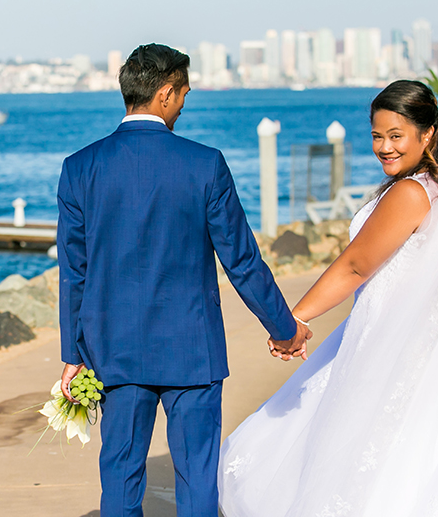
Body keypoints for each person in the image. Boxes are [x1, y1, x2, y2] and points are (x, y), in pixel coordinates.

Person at [219, 80, 438, 516]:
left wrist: (292, 321)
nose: (384, 147)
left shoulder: (409, 193)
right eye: (377, 136)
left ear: (427, 134)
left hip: (399, 332)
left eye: (396, 136)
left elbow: (356, 266)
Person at [56, 43, 311, 517]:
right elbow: (242, 260)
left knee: (120, 479)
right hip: (192, 350)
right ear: (166, 94)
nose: (184, 105)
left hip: (115, 351)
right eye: (185, 94)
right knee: (197, 483)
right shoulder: (205, 164)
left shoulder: (79, 168)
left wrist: (73, 355)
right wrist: (283, 327)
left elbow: (74, 271)